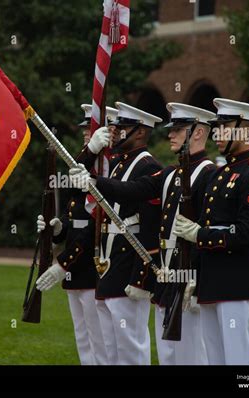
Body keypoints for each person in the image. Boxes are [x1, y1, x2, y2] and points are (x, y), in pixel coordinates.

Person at [70, 103, 215, 365]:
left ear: (198, 133)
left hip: (185, 275)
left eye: (179, 129)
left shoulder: (209, 173)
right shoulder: (170, 173)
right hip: (165, 276)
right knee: (167, 354)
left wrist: (194, 273)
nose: (170, 134)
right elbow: (132, 191)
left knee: (192, 355)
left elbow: (204, 228)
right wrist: (92, 175)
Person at [62, 102, 163, 365]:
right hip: (107, 261)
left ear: (140, 132)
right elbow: (73, 184)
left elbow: (132, 193)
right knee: (110, 348)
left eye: (123, 127)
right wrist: (91, 150)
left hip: (129, 260)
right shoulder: (114, 163)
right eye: (115, 127)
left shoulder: (149, 166)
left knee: (129, 345)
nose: (115, 132)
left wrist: (96, 182)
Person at [173, 98, 249, 365]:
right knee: (215, 359)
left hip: (237, 282)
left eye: (225, 126)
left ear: (244, 130)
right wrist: (192, 275)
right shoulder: (221, 174)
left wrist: (199, 236)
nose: (217, 133)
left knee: (238, 359)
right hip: (212, 281)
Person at [34, 104, 117, 365]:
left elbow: (94, 225)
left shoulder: (108, 173)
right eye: (85, 132)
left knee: (100, 342)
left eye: (90, 132)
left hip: (94, 269)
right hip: (76, 270)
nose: (86, 136)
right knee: (83, 340)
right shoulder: (84, 169)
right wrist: (58, 230)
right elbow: (75, 218)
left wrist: (62, 264)